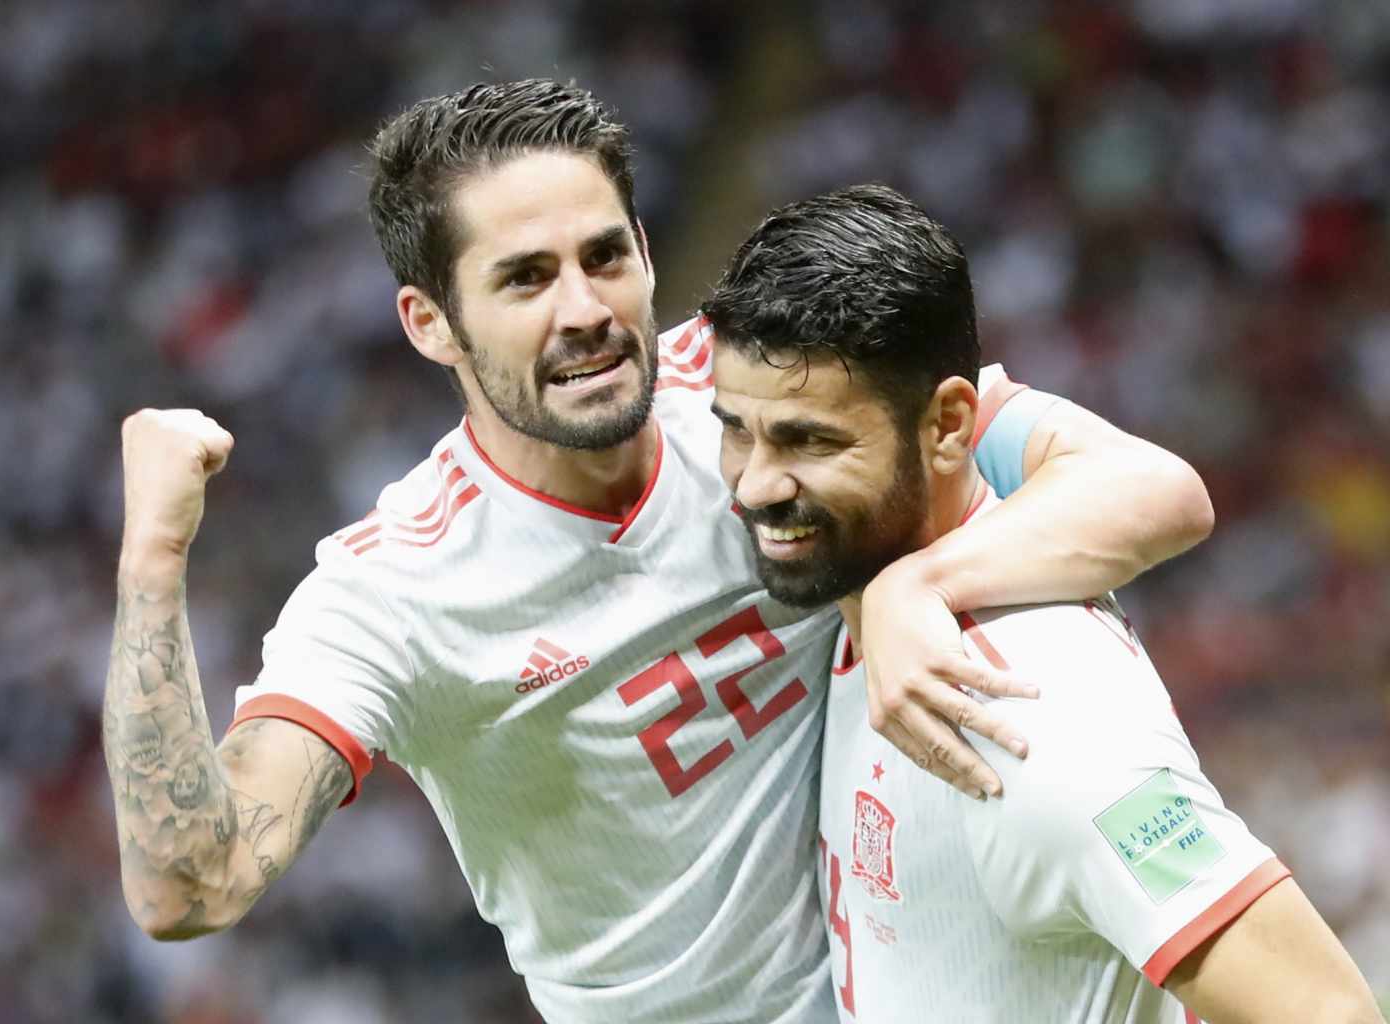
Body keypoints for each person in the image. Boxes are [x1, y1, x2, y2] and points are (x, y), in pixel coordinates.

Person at [103, 81, 1213, 1022]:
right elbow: (192, 886)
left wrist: (925, 581)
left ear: (644, 249)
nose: (585, 309)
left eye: (603, 256)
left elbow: (1154, 491)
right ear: (429, 321)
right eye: (526, 278)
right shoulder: (391, 591)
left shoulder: (763, 396)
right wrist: (151, 562)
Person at [702, 183, 1383, 1023]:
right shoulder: (873, 594)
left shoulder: (1037, 722)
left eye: (811, 441)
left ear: (953, 425)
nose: (758, 483)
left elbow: (1326, 1012)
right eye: (738, 429)